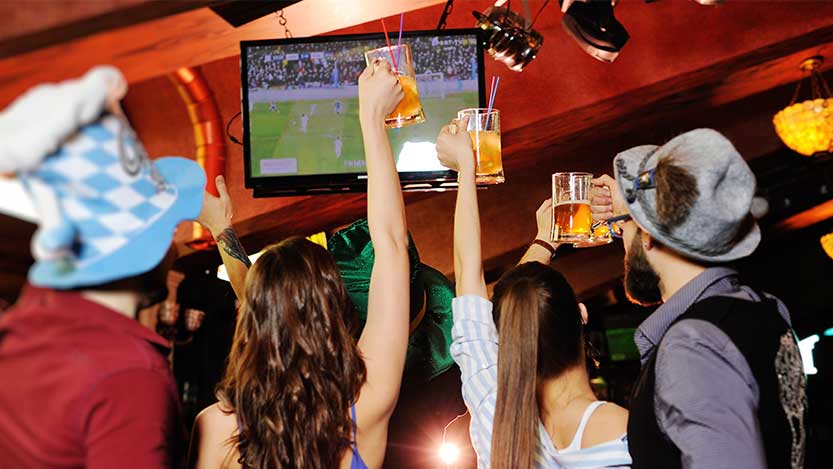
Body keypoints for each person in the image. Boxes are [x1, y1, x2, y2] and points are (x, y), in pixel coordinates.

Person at [187, 59, 410, 469]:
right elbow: (392, 245)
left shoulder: (215, 428)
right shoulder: (365, 403)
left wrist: (221, 230)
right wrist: (371, 118)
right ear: (334, 305)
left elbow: (267, 309)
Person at [0, 66, 206, 467]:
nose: (173, 246)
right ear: (140, 247)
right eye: (166, 228)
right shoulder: (129, 376)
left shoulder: (24, 324)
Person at [590, 128, 808, 469]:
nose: (622, 241)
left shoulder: (692, 345)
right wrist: (633, 206)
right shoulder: (762, 307)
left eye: (623, 228)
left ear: (647, 235)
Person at [435, 118, 631, 469]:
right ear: (582, 314)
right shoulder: (622, 431)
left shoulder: (496, 413)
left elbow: (468, 276)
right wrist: (629, 220)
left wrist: (466, 167)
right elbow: (472, 281)